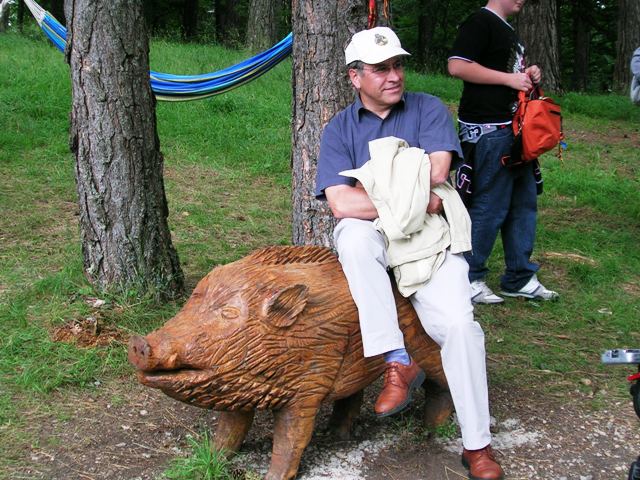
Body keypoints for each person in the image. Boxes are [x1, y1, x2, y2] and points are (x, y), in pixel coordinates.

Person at [316, 26, 504, 480]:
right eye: (380, 68)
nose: (394, 75)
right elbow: (341, 204)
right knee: (352, 237)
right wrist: (413, 194)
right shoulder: (339, 128)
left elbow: (438, 172)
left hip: (429, 237)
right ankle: (397, 359)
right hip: (377, 232)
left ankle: (477, 446)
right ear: (355, 76)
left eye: (398, 65)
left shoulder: (427, 108)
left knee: (460, 327)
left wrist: (377, 188)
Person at [448, 0, 559, 305]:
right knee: (489, 204)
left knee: (523, 202)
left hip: (516, 130)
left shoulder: (506, 28)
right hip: (489, 130)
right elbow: (457, 65)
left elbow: (505, 71)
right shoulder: (480, 22)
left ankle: (519, 277)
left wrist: (527, 73)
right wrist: (509, 79)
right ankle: (469, 278)